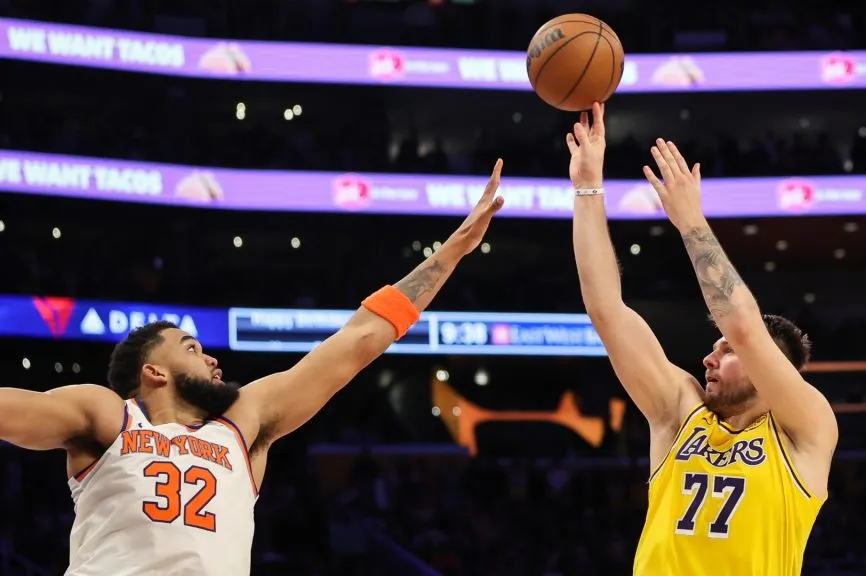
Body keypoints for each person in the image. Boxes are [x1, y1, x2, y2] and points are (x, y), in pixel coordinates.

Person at [0, 160, 506, 576]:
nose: (213, 357)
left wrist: (454, 249)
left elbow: (358, 340)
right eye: (192, 347)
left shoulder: (242, 425)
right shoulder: (107, 415)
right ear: (153, 371)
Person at [567, 103, 838, 575]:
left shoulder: (806, 431)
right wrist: (587, 186)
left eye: (726, 353)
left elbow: (744, 327)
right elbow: (606, 311)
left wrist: (691, 222)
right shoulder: (680, 413)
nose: (707, 360)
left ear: (771, 365)